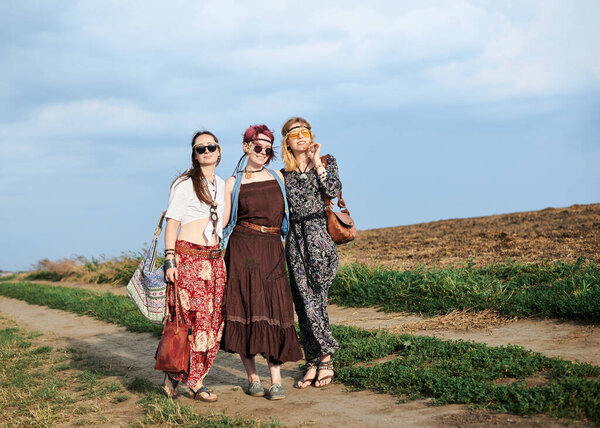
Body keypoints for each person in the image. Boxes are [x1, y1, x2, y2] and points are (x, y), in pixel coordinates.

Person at [220, 125, 303, 400]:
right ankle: (253, 378)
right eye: (258, 147)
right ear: (246, 147)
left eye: (269, 149)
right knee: (244, 308)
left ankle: (276, 380)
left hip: (271, 250)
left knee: (275, 309)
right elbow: (222, 222)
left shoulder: (278, 176)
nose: (264, 153)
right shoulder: (233, 182)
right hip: (242, 249)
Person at [161, 131, 226, 402]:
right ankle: (192, 381)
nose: (207, 152)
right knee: (189, 322)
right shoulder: (185, 184)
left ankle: (179, 375)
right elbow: (172, 222)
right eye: (201, 149)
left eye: (211, 147)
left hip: (214, 260)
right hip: (188, 259)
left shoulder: (221, 184)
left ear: (219, 151)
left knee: (212, 323)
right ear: (194, 154)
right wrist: (169, 260)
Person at [280, 117, 342, 388]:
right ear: (287, 143)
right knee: (301, 303)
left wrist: (317, 162)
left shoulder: (327, 161)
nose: (301, 137)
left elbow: (334, 190)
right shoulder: (283, 174)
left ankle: (326, 357)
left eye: (305, 132)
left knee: (316, 299)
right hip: (294, 238)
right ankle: (312, 360)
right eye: (295, 134)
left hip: (318, 235)